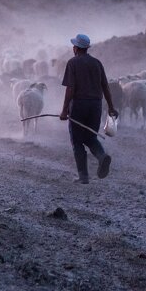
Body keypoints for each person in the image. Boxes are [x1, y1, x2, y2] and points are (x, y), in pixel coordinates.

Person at [59, 33, 118, 183]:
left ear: (76, 48)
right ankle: (102, 156)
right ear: (86, 48)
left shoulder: (72, 63)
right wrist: (111, 107)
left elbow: (70, 89)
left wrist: (64, 110)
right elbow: (105, 86)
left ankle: (83, 176)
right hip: (96, 105)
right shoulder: (97, 63)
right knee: (90, 137)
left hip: (79, 105)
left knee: (77, 141)